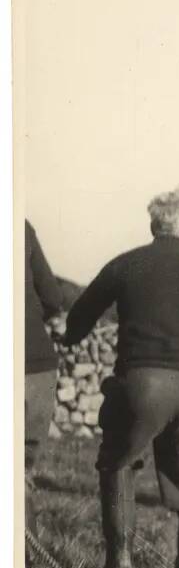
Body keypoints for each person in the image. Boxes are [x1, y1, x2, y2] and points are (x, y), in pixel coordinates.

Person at [64, 188, 179, 568]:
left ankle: (120, 563)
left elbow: (79, 318)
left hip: (141, 384)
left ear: (152, 225)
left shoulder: (126, 265)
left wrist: (72, 339)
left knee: (117, 462)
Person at [24, 220, 64, 539]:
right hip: (36, 365)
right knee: (21, 469)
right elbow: (52, 297)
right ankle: (26, 559)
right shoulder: (20, 226)